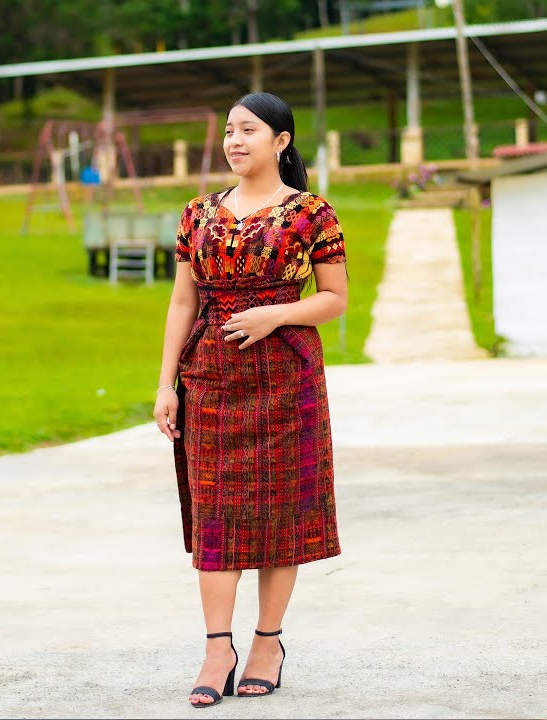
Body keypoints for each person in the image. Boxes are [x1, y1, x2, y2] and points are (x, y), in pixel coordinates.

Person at [152, 92, 347, 707]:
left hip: (287, 380)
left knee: (279, 515)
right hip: (209, 376)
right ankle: (217, 649)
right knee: (217, 513)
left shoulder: (312, 214)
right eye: (230, 132)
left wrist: (274, 316)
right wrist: (165, 384)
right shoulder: (199, 213)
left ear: (281, 141)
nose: (235, 142)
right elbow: (183, 302)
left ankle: (267, 642)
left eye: (249, 131)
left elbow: (334, 299)